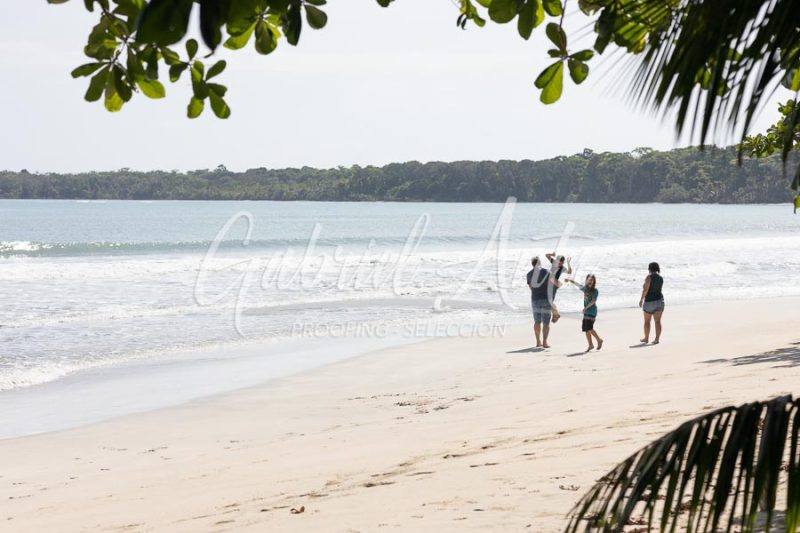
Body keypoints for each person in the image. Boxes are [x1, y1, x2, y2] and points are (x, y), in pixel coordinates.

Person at [566, 274, 603, 352]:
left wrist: (586, 308)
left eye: (591, 280)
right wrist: (569, 280)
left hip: (592, 311)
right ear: (586, 281)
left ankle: (599, 340)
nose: (590, 281)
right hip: (586, 312)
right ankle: (590, 345)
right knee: (586, 329)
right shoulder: (585, 289)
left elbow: (593, 301)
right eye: (589, 280)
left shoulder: (595, 291)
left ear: (594, 282)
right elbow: (577, 284)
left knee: (589, 328)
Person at [527, 256, 555, 348]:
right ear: (539, 263)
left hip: (535, 299)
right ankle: (545, 342)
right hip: (546, 299)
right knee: (546, 322)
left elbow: (531, 288)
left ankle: (538, 342)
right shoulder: (546, 271)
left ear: (532, 264)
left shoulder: (529, 274)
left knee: (537, 321)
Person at [639, 262, 664, 344]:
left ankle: (646, 338)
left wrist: (641, 299)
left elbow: (645, 289)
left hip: (649, 302)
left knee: (647, 321)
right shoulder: (660, 278)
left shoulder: (649, 277)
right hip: (660, 301)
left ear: (650, 269)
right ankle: (657, 339)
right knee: (658, 321)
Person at [545, 253, 572, 323]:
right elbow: (546, 255)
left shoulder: (563, 268)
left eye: (561, 263)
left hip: (554, 285)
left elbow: (569, 272)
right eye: (558, 262)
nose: (559, 264)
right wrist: (552, 254)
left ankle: (556, 314)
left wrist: (568, 263)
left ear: (563, 263)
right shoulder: (554, 262)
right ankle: (555, 314)